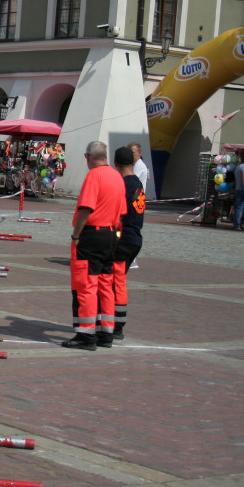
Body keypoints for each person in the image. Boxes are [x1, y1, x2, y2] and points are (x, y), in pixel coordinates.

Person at [63, 141, 126, 351]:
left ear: (88, 157)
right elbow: (121, 212)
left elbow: (85, 208)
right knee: (106, 284)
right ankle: (106, 332)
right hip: (110, 233)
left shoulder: (94, 176)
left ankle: (86, 334)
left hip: (92, 234)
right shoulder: (117, 176)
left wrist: (76, 235)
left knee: (87, 286)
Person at [111, 146, 144, 341]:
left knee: (116, 281)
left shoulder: (123, 185)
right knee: (119, 280)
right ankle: (115, 322)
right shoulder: (137, 183)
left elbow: (117, 215)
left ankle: (116, 325)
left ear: (116, 164)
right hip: (135, 238)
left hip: (122, 237)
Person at [233, 153, 244, 231]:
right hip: (241, 190)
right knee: (240, 207)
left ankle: (236, 223)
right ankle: (237, 224)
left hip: (237, 189)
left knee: (238, 207)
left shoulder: (238, 167)